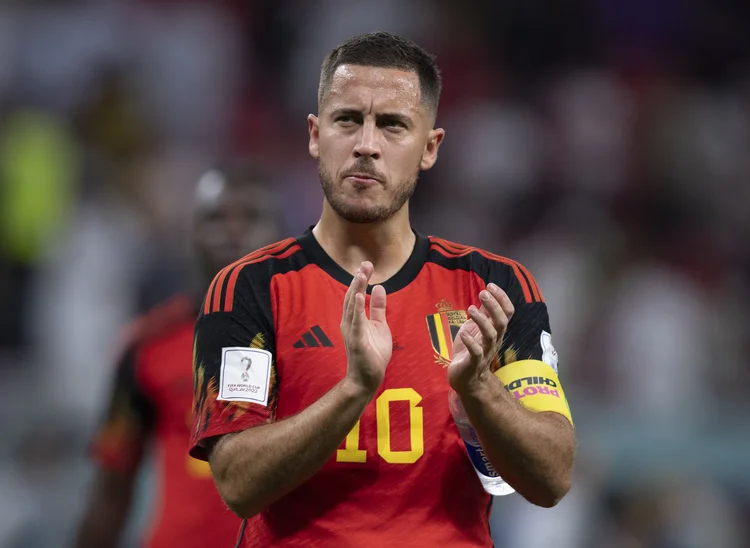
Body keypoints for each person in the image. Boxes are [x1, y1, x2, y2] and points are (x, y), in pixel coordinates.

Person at [190, 32, 576, 547]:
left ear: (430, 148)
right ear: (314, 134)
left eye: (392, 124)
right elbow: (237, 482)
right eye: (347, 119)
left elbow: (552, 478)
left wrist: (480, 389)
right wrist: (354, 388)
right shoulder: (250, 288)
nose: (366, 144)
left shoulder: (494, 288)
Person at [75, 160, 280, 548]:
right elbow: (112, 490)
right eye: (215, 218)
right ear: (192, 234)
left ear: (282, 235)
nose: (233, 231)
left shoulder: (317, 339)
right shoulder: (148, 345)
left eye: (250, 216)